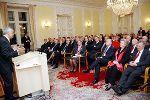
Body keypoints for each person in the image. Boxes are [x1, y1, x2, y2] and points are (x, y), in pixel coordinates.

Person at [0, 27, 25, 100]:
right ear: (8, 33)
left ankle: (10, 97)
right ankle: (9, 98)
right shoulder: (3, 40)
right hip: (4, 66)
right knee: (9, 84)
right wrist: (17, 52)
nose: (13, 34)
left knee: (9, 83)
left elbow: (7, 52)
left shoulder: (4, 40)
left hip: (5, 65)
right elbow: (5, 55)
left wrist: (15, 49)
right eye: (12, 33)